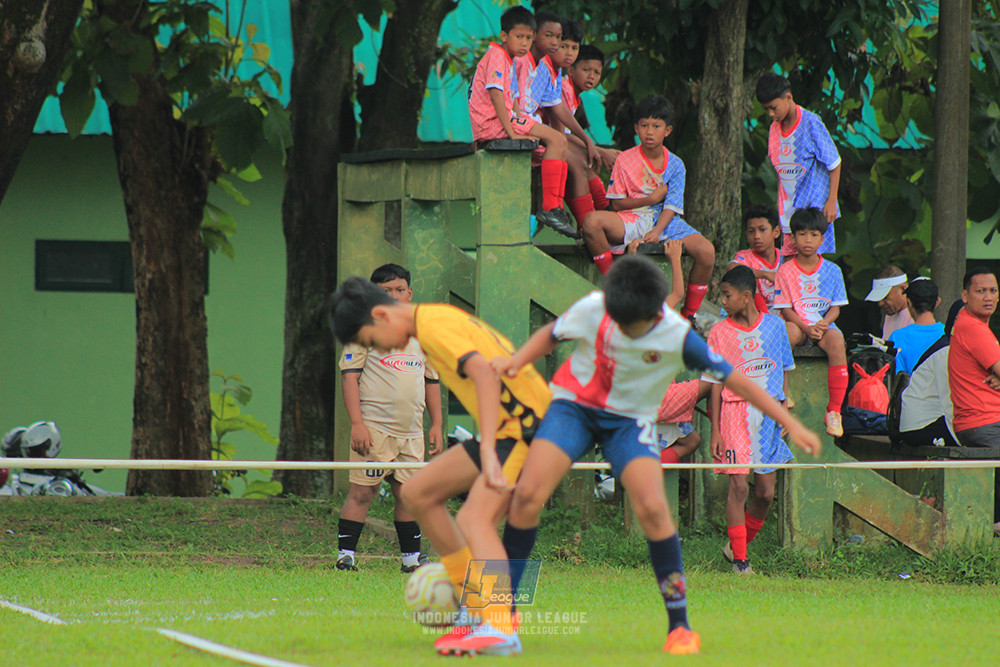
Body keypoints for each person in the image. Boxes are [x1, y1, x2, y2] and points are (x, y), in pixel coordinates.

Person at [490, 256, 821, 656]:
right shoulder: (596, 305)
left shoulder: (676, 334)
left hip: (629, 421)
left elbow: (736, 379)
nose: (626, 333)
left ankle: (679, 627)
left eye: (636, 329)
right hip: (573, 408)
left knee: (653, 509)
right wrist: (514, 361)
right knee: (526, 495)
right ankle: (501, 612)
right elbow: (552, 335)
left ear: (654, 314)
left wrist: (793, 422)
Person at [329, 276, 551, 657]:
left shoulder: (431, 326)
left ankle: (499, 626)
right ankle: (471, 607)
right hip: (506, 429)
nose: (376, 348)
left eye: (370, 340)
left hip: (524, 428)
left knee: (474, 520)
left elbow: (483, 372)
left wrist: (486, 445)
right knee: (418, 492)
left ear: (381, 315)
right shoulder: (431, 321)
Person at [335, 265, 443, 573]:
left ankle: (410, 561)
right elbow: (349, 379)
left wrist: (435, 424)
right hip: (375, 431)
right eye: (385, 292)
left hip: (411, 434)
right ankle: (346, 557)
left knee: (409, 496)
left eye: (399, 290)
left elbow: (431, 381)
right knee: (363, 492)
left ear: (410, 293)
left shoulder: (422, 334)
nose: (393, 296)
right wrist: (358, 423)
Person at [581, 96, 716, 323]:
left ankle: (688, 316)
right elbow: (616, 204)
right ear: (636, 128)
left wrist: (657, 230)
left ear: (668, 130)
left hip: (667, 221)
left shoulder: (676, 164)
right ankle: (613, 285)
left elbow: (672, 206)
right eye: (644, 126)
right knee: (591, 222)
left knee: (707, 252)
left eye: (656, 126)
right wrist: (649, 198)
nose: (649, 132)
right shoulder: (625, 159)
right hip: (631, 217)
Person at [706, 266, 795, 575]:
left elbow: (783, 369)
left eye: (727, 295)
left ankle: (735, 547)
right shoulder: (719, 332)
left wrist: (784, 406)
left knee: (766, 492)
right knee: (739, 487)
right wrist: (715, 429)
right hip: (734, 413)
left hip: (768, 416)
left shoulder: (775, 327)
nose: (723, 301)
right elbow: (715, 384)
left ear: (746, 297)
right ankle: (742, 563)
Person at [469, 6, 575, 237]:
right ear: (504, 36)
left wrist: (524, 124)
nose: (524, 43)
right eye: (519, 37)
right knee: (557, 140)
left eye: (529, 38)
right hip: (494, 124)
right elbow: (497, 95)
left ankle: (555, 205)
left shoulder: (508, 58)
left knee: (558, 145)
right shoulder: (496, 55)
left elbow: (514, 100)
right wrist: (512, 130)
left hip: (506, 119)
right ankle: (550, 207)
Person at [515, 12, 600, 238]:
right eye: (562, 45)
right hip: (524, 128)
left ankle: (582, 217)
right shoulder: (535, 64)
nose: (565, 51)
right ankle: (583, 224)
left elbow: (558, 109)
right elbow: (519, 104)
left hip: (533, 131)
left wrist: (588, 141)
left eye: (573, 48)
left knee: (576, 157)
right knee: (575, 161)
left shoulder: (553, 72)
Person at [772, 207, 849, 437]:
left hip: (823, 325)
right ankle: (782, 397)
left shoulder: (833, 270)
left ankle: (834, 411)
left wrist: (824, 324)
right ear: (793, 237)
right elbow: (785, 309)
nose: (808, 240)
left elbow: (835, 307)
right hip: (798, 323)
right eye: (802, 234)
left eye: (814, 234)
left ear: (822, 239)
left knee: (837, 340)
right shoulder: (784, 271)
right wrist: (806, 327)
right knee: (787, 333)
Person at [755, 72, 841, 257]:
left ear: (788, 97)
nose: (771, 114)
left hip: (813, 214)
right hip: (787, 213)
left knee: (810, 268)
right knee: (788, 269)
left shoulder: (811, 123)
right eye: (766, 109)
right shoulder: (774, 129)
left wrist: (831, 201)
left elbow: (834, 162)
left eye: (773, 107)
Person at [554, 40, 618, 225]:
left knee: (587, 162)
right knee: (582, 165)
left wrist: (597, 149)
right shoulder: (563, 89)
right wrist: (599, 150)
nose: (592, 76)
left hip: (556, 141)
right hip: (544, 141)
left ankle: (605, 213)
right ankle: (590, 224)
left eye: (597, 72)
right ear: (571, 70)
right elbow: (560, 134)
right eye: (586, 70)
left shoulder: (573, 95)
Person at [899, 299, 962, 448]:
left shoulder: (968, 351)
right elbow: (951, 403)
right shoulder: (946, 352)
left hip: (941, 419)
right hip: (921, 426)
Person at [948, 267, 1000, 447]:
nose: (988, 297)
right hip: (986, 423)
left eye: (993, 291)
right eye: (980, 291)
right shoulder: (974, 328)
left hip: (982, 423)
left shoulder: (966, 321)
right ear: (965, 295)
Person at [728, 203, 782, 314]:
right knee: (746, 280)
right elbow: (731, 268)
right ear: (746, 234)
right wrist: (765, 274)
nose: (757, 236)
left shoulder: (785, 258)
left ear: (776, 232)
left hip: (784, 314)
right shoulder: (745, 257)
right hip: (753, 315)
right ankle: (765, 319)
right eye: (751, 231)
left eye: (762, 230)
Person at [888, 277, 943, 375]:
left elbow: (896, 377)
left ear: (909, 302)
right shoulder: (949, 334)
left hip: (911, 390)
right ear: (937, 302)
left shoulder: (897, 337)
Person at [866, 266, 914, 338]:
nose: (880, 303)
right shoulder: (890, 315)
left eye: (886, 297)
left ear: (903, 288)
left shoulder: (915, 316)